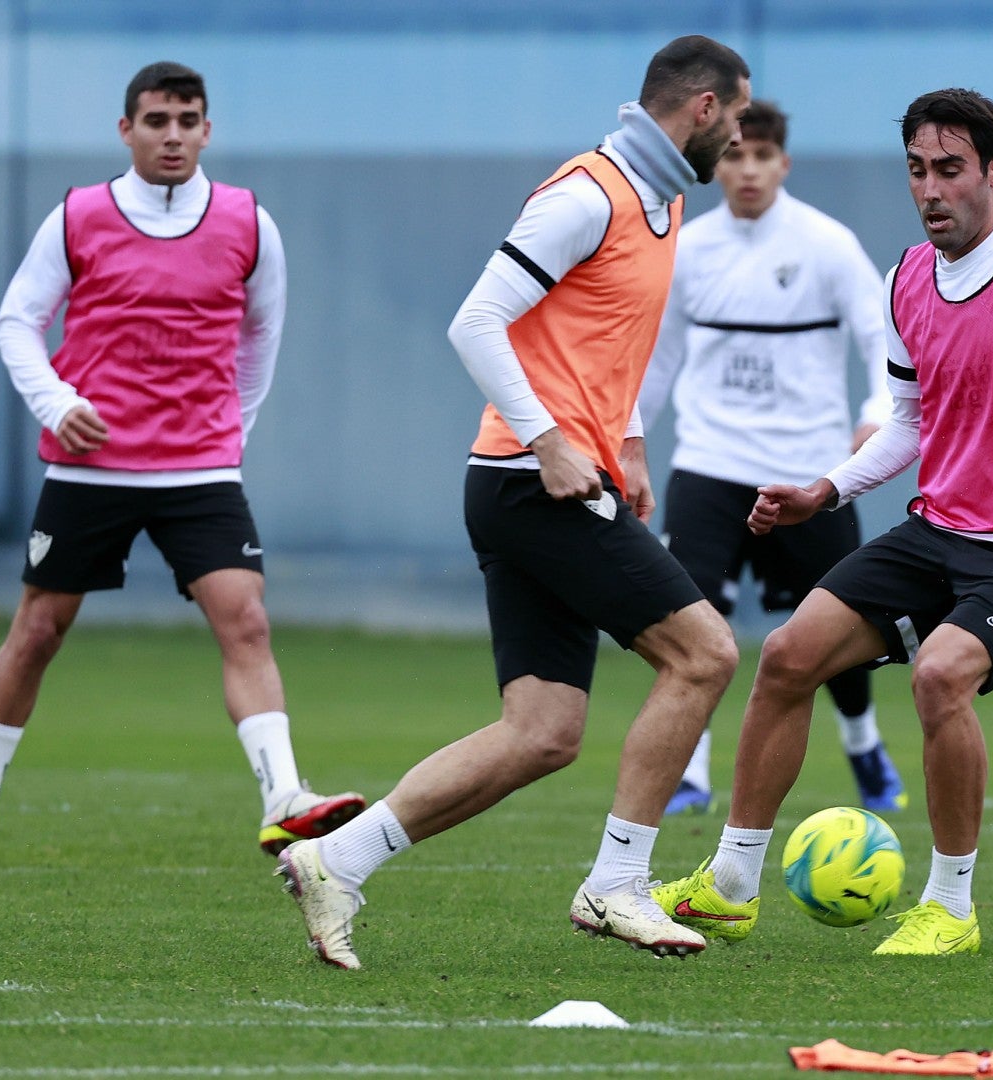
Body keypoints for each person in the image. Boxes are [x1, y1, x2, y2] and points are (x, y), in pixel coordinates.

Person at [653, 88, 993, 956]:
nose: (931, 189)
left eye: (950, 169)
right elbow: (909, 420)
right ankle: (730, 886)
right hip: (944, 526)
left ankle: (950, 907)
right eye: (916, 171)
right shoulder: (908, 276)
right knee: (787, 657)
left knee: (940, 675)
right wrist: (825, 490)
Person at [274, 35, 751, 969]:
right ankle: (617, 885)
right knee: (705, 654)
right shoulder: (587, 194)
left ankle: (336, 858)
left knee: (542, 733)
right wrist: (548, 440)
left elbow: (600, 342)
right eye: (734, 117)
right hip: (527, 484)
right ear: (700, 107)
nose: (739, 136)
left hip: (551, 479)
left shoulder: (664, 201)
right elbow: (476, 319)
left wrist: (626, 441)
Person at [0, 62, 365, 868]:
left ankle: (284, 797)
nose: (173, 136)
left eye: (188, 121)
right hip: (90, 469)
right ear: (126, 129)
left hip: (199, 470)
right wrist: (58, 403)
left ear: (208, 131)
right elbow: (16, 321)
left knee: (247, 620)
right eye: (158, 121)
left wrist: (234, 432)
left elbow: (261, 338)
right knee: (36, 633)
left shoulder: (248, 222)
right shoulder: (78, 217)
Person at [637, 99, 907, 819]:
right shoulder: (689, 249)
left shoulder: (827, 244)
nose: (748, 170)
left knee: (834, 630)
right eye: (734, 156)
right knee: (691, 620)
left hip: (809, 472)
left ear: (783, 163)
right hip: (709, 462)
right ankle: (691, 772)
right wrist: (626, 441)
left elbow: (881, 338)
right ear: (716, 162)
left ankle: (863, 744)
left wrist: (876, 414)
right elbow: (656, 362)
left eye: (762, 157)